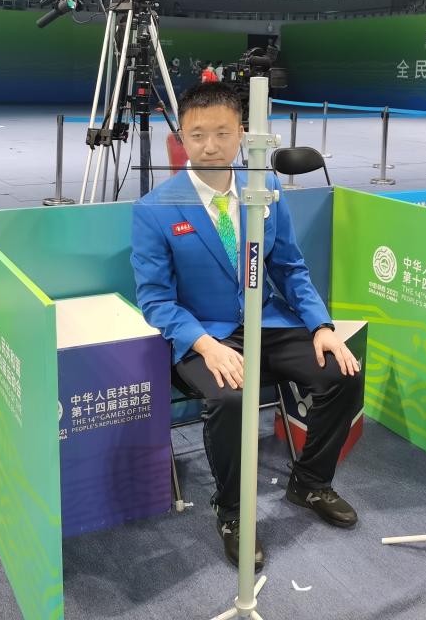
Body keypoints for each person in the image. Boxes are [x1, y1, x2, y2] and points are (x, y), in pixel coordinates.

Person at [131, 83, 364, 571]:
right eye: (197, 135)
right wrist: (205, 345)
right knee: (230, 398)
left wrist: (321, 325)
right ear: (181, 139)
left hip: (268, 321)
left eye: (222, 132)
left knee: (342, 373)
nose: (210, 146)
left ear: (242, 133)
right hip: (203, 334)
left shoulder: (266, 189)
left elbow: (290, 267)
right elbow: (155, 300)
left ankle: (310, 482)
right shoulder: (155, 208)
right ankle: (233, 513)